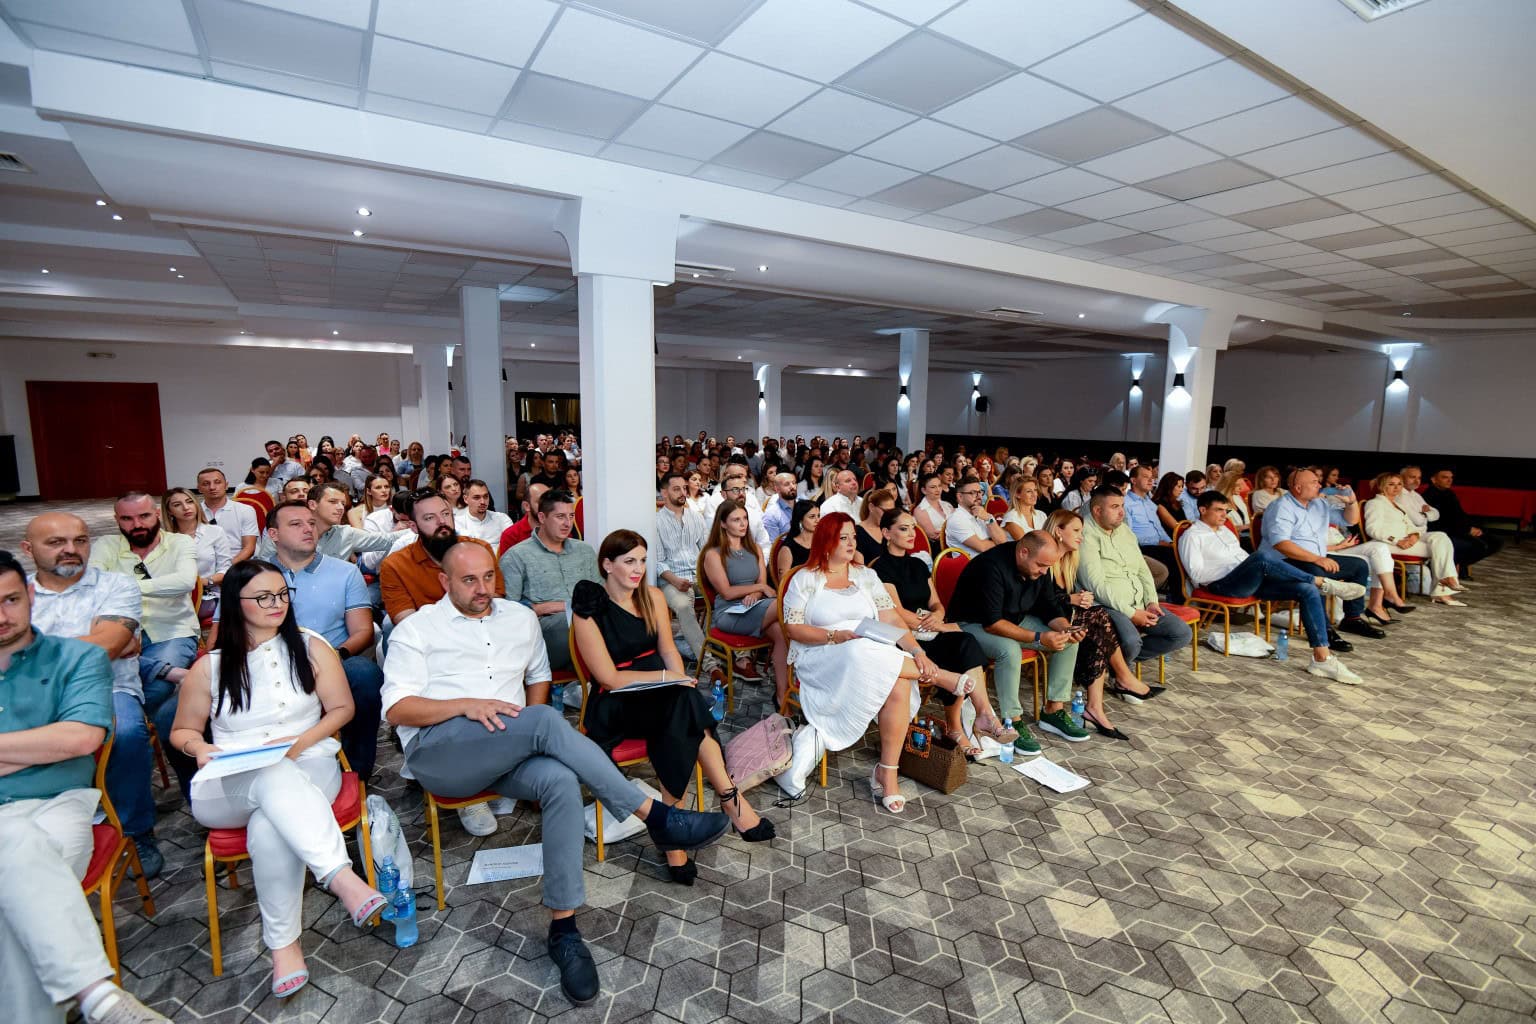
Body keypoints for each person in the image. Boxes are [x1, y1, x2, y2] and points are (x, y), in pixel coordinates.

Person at [384, 542, 729, 1005]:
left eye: (488, 577)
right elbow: (397, 708)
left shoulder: (518, 618)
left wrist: (524, 732)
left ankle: (564, 930)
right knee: (545, 721)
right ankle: (657, 817)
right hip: (442, 751)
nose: (482, 588)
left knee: (560, 781)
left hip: (508, 746)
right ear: (445, 581)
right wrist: (468, 705)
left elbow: (538, 677)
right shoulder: (418, 628)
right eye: (468, 580)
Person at [170, 560, 387, 1000]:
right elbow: (182, 731)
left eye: (282, 595)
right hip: (228, 780)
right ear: (236, 603)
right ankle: (339, 875)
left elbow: (342, 709)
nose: (277, 604)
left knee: (270, 823)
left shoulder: (311, 646)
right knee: (267, 771)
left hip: (307, 762)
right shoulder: (211, 666)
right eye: (263, 597)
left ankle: (284, 948)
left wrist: (297, 743)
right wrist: (199, 748)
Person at [0, 550, 171, 1024]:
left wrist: (52, 744)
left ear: (30, 594)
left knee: (11, 843)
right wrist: (38, 745)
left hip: (60, 804)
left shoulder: (77, 657)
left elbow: (79, 739)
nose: (1, 615)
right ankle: (98, 997)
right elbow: (59, 740)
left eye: (10, 600)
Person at [573, 531, 775, 885]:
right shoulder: (589, 609)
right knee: (684, 707)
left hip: (661, 693)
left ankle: (674, 828)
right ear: (607, 564)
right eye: (629, 561)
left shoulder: (652, 596)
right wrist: (668, 679)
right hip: (617, 701)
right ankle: (728, 799)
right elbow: (608, 677)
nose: (638, 569)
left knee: (682, 702)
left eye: (642, 560)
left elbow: (668, 650)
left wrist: (677, 678)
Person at [779, 514, 981, 810]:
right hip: (822, 652)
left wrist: (918, 652)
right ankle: (940, 676)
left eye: (853, 537)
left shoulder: (865, 576)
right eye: (843, 538)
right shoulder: (805, 579)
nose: (851, 543)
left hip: (870, 652)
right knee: (860, 649)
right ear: (826, 541)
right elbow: (793, 629)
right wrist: (835, 635)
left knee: (897, 681)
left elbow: (891, 620)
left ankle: (888, 773)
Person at [24, 513, 166, 878]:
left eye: (80, 540)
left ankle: (136, 830)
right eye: (56, 542)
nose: (70, 549)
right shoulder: (14, 593)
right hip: (31, 694)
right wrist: (95, 641)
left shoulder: (115, 584)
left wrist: (28, 651)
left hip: (108, 687)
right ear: (28, 549)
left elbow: (108, 646)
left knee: (127, 733)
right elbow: (104, 646)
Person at [213, 501, 385, 779]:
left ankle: (356, 773)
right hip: (261, 663)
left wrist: (334, 657)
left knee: (364, 674)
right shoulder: (248, 576)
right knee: (172, 713)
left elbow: (363, 632)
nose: (308, 529)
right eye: (296, 524)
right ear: (273, 534)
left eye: (311, 523)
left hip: (329, 661)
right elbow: (220, 638)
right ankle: (223, 775)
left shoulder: (344, 571)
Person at [872, 509, 1017, 755]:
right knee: (957, 652)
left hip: (929, 632)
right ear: (886, 533)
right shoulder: (880, 568)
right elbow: (895, 612)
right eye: (904, 528)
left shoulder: (919, 564)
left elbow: (937, 604)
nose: (912, 533)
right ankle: (957, 727)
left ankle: (981, 715)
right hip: (903, 641)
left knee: (965, 643)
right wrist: (927, 622)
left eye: (913, 527)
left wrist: (937, 617)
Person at [1181, 491, 1366, 684]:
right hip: (1223, 585)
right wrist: (1236, 570)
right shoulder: (1192, 535)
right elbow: (1197, 576)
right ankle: (1319, 581)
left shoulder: (1225, 531)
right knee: (1261, 557)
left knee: (1306, 590)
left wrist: (1248, 569)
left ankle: (1322, 658)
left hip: (1250, 580)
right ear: (1203, 510)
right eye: (1219, 510)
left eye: (1226, 511)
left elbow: (1243, 559)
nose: (1224, 515)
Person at [89, 492, 201, 792]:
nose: (137, 524)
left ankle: (114, 731)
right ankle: (130, 729)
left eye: (144, 516)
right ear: (117, 520)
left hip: (172, 630)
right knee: (160, 696)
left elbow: (184, 582)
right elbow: (93, 587)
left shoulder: (180, 542)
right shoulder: (106, 545)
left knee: (157, 688)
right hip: (121, 634)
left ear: (157, 514)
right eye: (127, 519)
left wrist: (122, 587)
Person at [946, 531, 1087, 752]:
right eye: (1040, 565)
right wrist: (1039, 638)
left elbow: (1049, 606)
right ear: (1023, 552)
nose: (1044, 571)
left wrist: (1065, 628)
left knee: (1068, 641)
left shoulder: (1041, 567)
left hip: (1014, 619)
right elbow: (992, 623)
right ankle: (1012, 720)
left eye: (1047, 567)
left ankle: (1053, 710)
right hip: (970, 624)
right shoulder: (990, 566)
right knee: (1009, 650)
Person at [1044, 510, 1163, 741]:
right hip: (1045, 619)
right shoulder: (1045, 555)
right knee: (1099, 618)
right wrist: (1070, 599)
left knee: (1097, 629)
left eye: (1081, 531)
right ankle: (1119, 682)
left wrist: (1080, 598)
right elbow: (1040, 600)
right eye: (1076, 531)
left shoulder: (1069, 558)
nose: (1081, 536)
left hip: (1065, 616)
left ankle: (1095, 707)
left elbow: (1065, 597)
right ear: (1058, 531)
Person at [1259, 468, 1385, 643]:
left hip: (1314, 558)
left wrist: (1351, 502)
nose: (1319, 485)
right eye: (1314, 482)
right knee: (1317, 571)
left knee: (1360, 566)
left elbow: (1351, 520)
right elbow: (1281, 544)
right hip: (1282, 562)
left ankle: (1352, 619)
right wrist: (1318, 559)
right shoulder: (1281, 507)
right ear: (1298, 488)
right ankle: (1323, 629)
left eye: (1318, 482)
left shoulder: (1319, 504)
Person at [1077, 486, 1193, 667]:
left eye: (1122, 505)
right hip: (1108, 606)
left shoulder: (1124, 531)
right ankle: (1120, 667)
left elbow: (1143, 570)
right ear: (1097, 510)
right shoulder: (1085, 535)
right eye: (1115, 507)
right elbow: (1096, 586)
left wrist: (1151, 601)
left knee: (1181, 633)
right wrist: (1132, 614)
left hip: (1139, 602)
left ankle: (1116, 664)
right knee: (1131, 643)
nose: (1122, 512)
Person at [499, 489, 599, 672]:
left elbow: (601, 593)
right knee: (572, 621)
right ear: (542, 517)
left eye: (571, 516)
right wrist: (544, 608)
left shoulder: (584, 551)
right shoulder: (516, 556)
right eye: (560, 517)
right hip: (546, 632)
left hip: (589, 623)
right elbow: (507, 611)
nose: (568, 523)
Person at [700, 500, 788, 702]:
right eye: (736, 520)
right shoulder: (713, 554)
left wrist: (756, 593)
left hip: (757, 605)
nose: (743, 523)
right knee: (785, 605)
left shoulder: (755, 548)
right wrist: (759, 589)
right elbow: (727, 593)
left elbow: (761, 583)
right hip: (729, 613)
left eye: (745, 518)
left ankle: (782, 696)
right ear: (723, 524)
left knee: (781, 634)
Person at [380, 489, 505, 626]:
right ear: (414, 527)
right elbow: (406, 622)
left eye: (446, 514)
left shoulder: (480, 550)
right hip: (427, 635)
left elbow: (496, 601)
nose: (442, 522)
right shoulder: (395, 565)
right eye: (429, 518)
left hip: (481, 627)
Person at [1364, 473, 1465, 605]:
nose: (1396, 488)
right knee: (1439, 549)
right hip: (1389, 544)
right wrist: (1396, 540)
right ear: (1382, 486)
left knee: (1440, 536)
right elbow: (1372, 529)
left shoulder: (1397, 505)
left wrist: (1415, 535)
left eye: (1399, 484)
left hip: (1407, 540)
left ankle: (1446, 580)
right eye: (1391, 484)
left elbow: (1411, 526)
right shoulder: (1374, 503)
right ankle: (1443, 588)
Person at [255, 481, 398, 564]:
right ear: (312, 504)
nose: (340, 508)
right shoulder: (283, 533)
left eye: (343, 503)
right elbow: (263, 569)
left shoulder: (346, 534)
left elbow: (387, 540)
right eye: (333, 502)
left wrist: (410, 526)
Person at [654, 472, 709, 663]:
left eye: (684, 488)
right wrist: (675, 581)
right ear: (664, 493)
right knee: (684, 606)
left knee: (725, 595)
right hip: (671, 578)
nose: (683, 493)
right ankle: (708, 662)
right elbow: (658, 561)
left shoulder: (696, 517)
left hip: (697, 576)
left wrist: (709, 576)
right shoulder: (656, 521)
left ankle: (716, 647)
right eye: (676, 489)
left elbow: (706, 552)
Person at [163, 486, 233, 621]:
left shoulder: (215, 532)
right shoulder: (165, 539)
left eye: (189, 502)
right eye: (177, 505)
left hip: (208, 594)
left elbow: (226, 569)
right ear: (169, 511)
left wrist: (204, 581)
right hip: (176, 595)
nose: (185, 507)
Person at [1424, 468, 1503, 578]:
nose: (1449, 480)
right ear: (1434, 480)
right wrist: (1467, 530)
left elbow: (1460, 515)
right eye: (1445, 477)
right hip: (1444, 532)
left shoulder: (1449, 493)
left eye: (1451, 477)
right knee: (1478, 546)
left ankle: (1460, 565)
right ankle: (1444, 569)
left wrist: (1473, 527)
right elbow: (1443, 522)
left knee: (1495, 542)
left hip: (1460, 529)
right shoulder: (1429, 496)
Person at [1123, 465, 1177, 586]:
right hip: (1142, 547)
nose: (1150, 480)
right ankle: (1179, 595)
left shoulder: (1150, 503)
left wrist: (1171, 542)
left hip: (1158, 546)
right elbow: (1128, 534)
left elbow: (1159, 529)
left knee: (1182, 552)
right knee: (1173, 556)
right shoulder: (1126, 503)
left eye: (1151, 477)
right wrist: (1158, 542)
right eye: (1145, 477)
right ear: (1133, 480)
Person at [198, 467, 259, 564]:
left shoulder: (245, 510)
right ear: (199, 488)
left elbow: (249, 548)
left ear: (226, 485)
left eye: (217, 482)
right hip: (203, 564)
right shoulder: (194, 512)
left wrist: (226, 568)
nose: (212, 487)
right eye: (206, 484)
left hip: (237, 564)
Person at [945, 475, 1007, 554]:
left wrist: (989, 519)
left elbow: (1003, 541)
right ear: (960, 497)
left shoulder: (983, 514)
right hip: (975, 561)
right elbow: (982, 547)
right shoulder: (956, 519)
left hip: (992, 557)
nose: (979, 496)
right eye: (973, 492)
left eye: (980, 492)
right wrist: (999, 544)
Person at [455, 479, 513, 545]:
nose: (483, 502)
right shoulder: (457, 522)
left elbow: (511, 547)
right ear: (466, 499)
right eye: (476, 497)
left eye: (485, 496)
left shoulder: (502, 519)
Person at [498, 482, 549, 556]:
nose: (548, 506)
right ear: (527, 506)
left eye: (550, 501)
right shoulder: (511, 535)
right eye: (540, 502)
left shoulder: (560, 528)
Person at [776, 500, 819, 584]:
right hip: (799, 589)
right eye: (812, 517)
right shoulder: (787, 548)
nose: (817, 520)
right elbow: (783, 583)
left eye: (818, 516)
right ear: (800, 520)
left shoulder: (822, 541)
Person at [854, 489, 895, 566]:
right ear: (871, 507)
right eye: (885, 511)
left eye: (892, 512)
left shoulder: (892, 528)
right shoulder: (857, 532)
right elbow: (860, 569)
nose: (889, 516)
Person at [1001, 475, 1047, 540]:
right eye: (1029, 491)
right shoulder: (1011, 517)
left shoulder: (1042, 515)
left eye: (1035, 490)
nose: (1034, 494)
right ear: (1017, 494)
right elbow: (1026, 543)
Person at [913, 473, 952, 546]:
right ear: (924, 490)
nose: (938, 490)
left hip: (955, 542)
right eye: (933, 487)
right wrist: (956, 530)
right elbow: (934, 536)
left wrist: (945, 533)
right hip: (938, 547)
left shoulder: (947, 505)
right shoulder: (920, 510)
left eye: (939, 486)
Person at [761, 470, 797, 541]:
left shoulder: (803, 505)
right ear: (777, 489)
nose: (792, 487)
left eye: (794, 483)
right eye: (787, 484)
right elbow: (774, 545)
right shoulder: (771, 515)